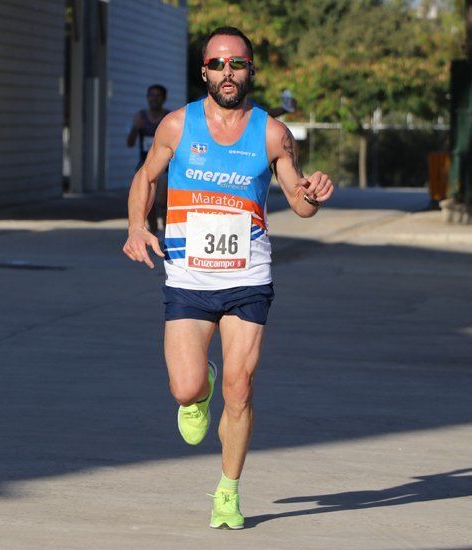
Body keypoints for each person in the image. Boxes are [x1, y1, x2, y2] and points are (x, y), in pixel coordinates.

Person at [121, 26, 334, 529]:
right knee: (185, 387)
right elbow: (145, 178)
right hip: (189, 278)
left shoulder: (272, 133)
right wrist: (135, 225)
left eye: (236, 63)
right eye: (217, 64)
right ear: (204, 72)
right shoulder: (176, 126)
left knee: (240, 387)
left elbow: (299, 204)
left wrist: (314, 194)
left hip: (247, 277)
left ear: (250, 69)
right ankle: (200, 387)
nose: (227, 72)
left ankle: (228, 491)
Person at [127, 85, 170, 232]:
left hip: (166, 166)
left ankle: (165, 230)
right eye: (151, 95)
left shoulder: (168, 118)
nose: (154, 98)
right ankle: (153, 230)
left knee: (161, 201)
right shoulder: (140, 117)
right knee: (147, 202)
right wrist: (135, 128)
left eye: (158, 95)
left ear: (164, 99)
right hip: (145, 165)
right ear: (147, 97)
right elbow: (129, 143)